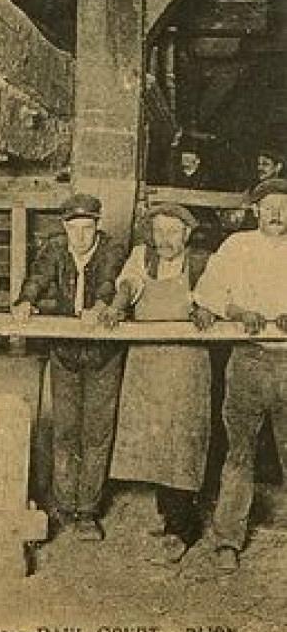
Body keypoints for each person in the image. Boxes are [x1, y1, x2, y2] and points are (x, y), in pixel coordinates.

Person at [11, 193, 125, 541]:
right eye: (74, 229)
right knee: (64, 430)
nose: (81, 236)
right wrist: (25, 301)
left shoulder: (111, 249)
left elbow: (108, 281)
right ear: (64, 227)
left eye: (87, 228)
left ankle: (87, 511)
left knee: (96, 433)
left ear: (97, 226)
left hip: (103, 356)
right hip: (65, 353)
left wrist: (100, 306)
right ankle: (63, 506)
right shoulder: (55, 249)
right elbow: (38, 276)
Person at [101, 204, 211, 565]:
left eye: (172, 232)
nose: (164, 239)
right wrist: (117, 306)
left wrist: (205, 309)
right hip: (147, 364)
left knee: (182, 445)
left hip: (185, 366)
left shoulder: (200, 262)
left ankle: (183, 530)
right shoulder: (141, 256)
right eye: (159, 231)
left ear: (187, 235)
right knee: (156, 444)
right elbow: (128, 284)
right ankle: (168, 518)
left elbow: (214, 296)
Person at [192, 178, 287, 573]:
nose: (277, 214)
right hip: (247, 361)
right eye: (269, 207)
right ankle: (228, 539)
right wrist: (239, 313)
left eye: (284, 206)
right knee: (239, 453)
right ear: (255, 211)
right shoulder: (237, 246)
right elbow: (209, 293)